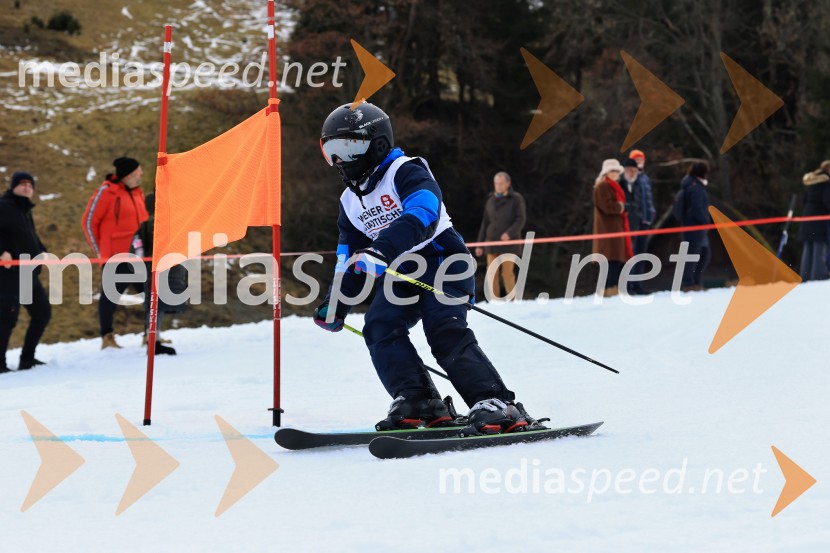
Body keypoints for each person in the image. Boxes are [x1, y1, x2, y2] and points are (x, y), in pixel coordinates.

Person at [312, 101, 544, 436]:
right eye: (330, 150)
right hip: (402, 274)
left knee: (443, 329)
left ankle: (494, 402)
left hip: (445, 262)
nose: (338, 161)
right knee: (379, 326)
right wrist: (336, 303)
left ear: (376, 143)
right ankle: (418, 399)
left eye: (348, 147)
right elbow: (347, 258)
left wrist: (381, 249)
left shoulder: (406, 171)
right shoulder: (349, 202)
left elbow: (423, 213)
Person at [82, 157, 149, 349]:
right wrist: (101, 251)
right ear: (127, 175)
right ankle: (107, 336)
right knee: (110, 295)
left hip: (139, 255)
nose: (141, 175)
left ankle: (150, 334)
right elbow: (88, 222)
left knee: (150, 294)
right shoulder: (107, 192)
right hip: (116, 257)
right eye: (138, 172)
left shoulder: (138, 193)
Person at [0, 172, 51, 372]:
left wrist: (43, 253)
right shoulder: (3, 206)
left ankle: (27, 358)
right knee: (6, 320)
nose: (26, 187)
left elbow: (30, 238)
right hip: (8, 274)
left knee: (42, 313)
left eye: (30, 184)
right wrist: (1, 251)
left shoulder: (24, 210)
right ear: (13, 186)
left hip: (27, 273)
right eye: (21, 183)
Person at [131, 193, 184, 355]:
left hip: (151, 269)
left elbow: (136, 246)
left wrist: (140, 262)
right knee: (156, 306)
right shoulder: (166, 223)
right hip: (164, 269)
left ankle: (154, 339)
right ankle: (153, 341)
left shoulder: (145, 225)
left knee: (154, 305)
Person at [474, 171, 526, 301]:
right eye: (496, 183)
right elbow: (485, 223)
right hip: (491, 243)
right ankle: (494, 301)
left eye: (501, 183)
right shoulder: (490, 201)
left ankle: (514, 300)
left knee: (507, 273)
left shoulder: (516, 199)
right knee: (492, 273)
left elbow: (521, 219)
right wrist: (480, 244)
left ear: (508, 184)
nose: (498, 186)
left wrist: (509, 233)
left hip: (509, 244)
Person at [592, 159, 632, 297]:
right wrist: (621, 206)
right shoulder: (602, 186)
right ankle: (608, 288)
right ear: (606, 172)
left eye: (616, 171)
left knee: (616, 260)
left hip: (616, 227)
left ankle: (613, 287)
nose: (615, 173)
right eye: (612, 171)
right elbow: (606, 206)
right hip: (608, 229)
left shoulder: (614, 186)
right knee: (610, 260)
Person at [621, 153, 656, 294]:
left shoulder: (645, 178)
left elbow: (648, 200)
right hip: (633, 220)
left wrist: (651, 213)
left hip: (645, 220)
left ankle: (637, 284)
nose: (639, 162)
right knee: (632, 252)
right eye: (636, 160)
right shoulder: (628, 179)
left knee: (641, 253)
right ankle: (628, 284)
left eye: (641, 159)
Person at [674, 162, 711, 291]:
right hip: (694, 227)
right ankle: (689, 283)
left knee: (703, 254)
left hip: (695, 227)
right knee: (693, 255)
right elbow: (696, 208)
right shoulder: (695, 187)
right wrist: (706, 221)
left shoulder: (693, 185)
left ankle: (695, 281)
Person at [798, 161, 830, 281]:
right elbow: (828, 202)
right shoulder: (826, 184)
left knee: (808, 250)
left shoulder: (812, 184)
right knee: (819, 249)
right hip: (819, 223)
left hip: (807, 222)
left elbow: (804, 201)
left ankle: (805, 276)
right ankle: (818, 276)